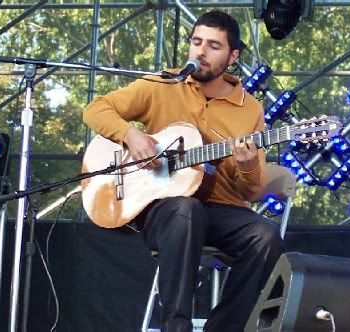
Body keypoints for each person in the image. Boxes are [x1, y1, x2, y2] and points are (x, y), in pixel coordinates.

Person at [83, 10, 285, 332]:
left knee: (266, 236)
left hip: (220, 209)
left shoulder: (250, 109)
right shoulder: (162, 84)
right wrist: (131, 135)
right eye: (196, 42)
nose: (201, 52)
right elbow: (96, 109)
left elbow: (252, 192)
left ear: (233, 56)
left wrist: (247, 167)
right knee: (186, 209)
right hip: (164, 206)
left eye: (214, 46)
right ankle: (176, 327)